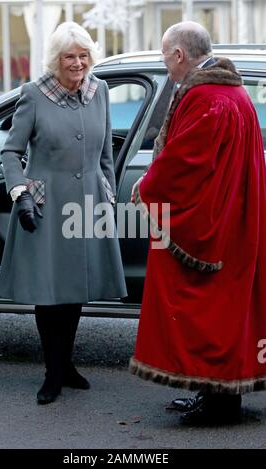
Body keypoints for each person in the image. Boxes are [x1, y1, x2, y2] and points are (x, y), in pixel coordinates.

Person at [129, 21, 266, 424]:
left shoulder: (207, 97)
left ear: (179, 55)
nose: (165, 65)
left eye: (164, 57)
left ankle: (219, 402)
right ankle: (216, 394)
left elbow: (186, 164)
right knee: (225, 313)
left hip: (216, 227)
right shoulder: (231, 93)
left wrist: (146, 185)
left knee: (208, 310)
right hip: (235, 220)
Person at [0, 21, 127, 405]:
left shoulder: (99, 89)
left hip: (87, 200)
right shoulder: (34, 95)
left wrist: (107, 195)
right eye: (69, 56)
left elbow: (106, 156)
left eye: (83, 55)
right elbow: (9, 152)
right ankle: (53, 373)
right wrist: (19, 193)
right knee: (48, 291)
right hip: (44, 202)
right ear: (56, 60)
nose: (78, 63)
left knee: (74, 291)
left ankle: (65, 365)